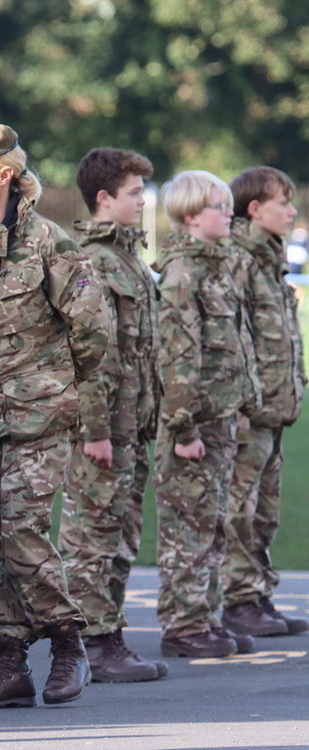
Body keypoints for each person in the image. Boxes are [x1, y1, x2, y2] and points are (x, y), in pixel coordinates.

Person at [0, 124, 109, 709]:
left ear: (5, 176)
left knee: (21, 531)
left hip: (37, 418)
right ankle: (9, 662)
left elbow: (93, 329)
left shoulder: (48, 243)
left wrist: (56, 387)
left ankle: (68, 643)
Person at [58, 147, 165, 682]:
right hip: (106, 430)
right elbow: (91, 353)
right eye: (134, 192)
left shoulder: (129, 258)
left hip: (132, 425)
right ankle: (91, 643)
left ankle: (110, 634)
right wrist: (94, 429)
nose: (143, 200)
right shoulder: (93, 261)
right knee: (92, 537)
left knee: (120, 534)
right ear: (104, 199)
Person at [153, 170, 261, 658]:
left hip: (218, 419)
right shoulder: (183, 274)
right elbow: (178, 357)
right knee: (187, 527)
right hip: (193, 425)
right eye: (221, 206)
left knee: (211, 523)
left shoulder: (215, 268)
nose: (230, 212)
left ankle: (205, 617)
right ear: (193, 215)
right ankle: (183, 625)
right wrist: (183, 428)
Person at [221, 167, 307, 637]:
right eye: (283, 202)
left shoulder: (267, 258)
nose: (292, 211)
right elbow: (233, 338)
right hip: (248, 411)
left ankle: (258, 595)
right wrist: (237, 407)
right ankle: (238, 602)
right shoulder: (239, 258)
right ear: (254, 209)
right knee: (240, 509)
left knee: (265, 511)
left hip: (273, 408)